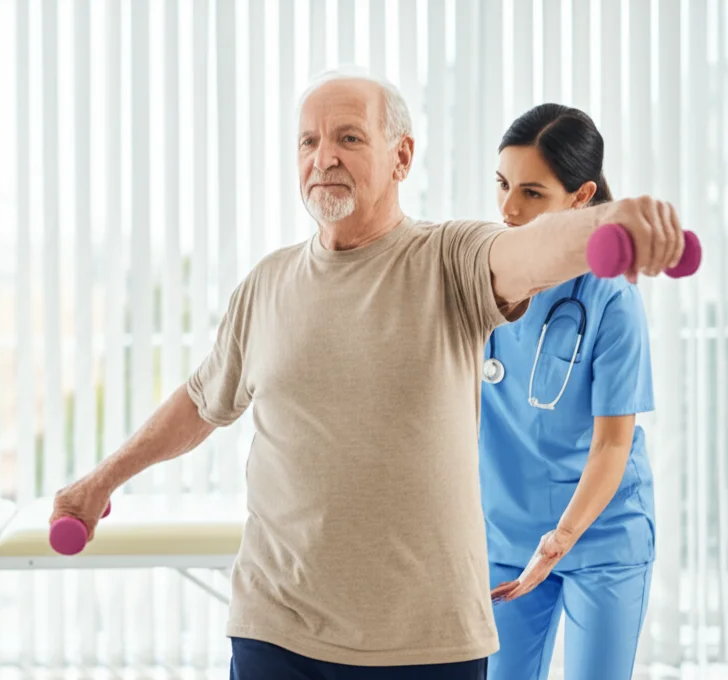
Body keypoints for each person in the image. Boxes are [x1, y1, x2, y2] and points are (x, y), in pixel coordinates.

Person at [50, 67, 685, 679]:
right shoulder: (267, 284)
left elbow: (528, 252)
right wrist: (101, 482)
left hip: (425, 642)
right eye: (308, 141)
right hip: (276, 630)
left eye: (349, 138)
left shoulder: (450, 260)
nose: (323, 157)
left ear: (402, 157)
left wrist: (607, 223)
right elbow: (202, 400)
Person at [480, 104, 657, 680]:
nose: (509, 209)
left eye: (532, 193)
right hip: (505, 532)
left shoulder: (612, 296)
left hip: (601, 535)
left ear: (582, 198)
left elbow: (612, 444)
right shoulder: (481, 276)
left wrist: (561, 538)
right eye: (503, 185)